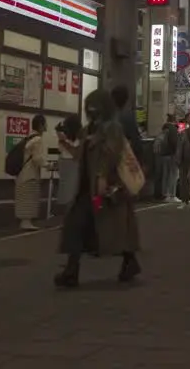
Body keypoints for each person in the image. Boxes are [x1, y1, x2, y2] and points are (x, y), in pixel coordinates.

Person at [54, 92, 142, 288]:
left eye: (94, 107)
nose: (91, 111)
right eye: (89, 107)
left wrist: (102, 176)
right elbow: (81, 155)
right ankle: (72, 269)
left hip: (108, 189)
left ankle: (129, 260)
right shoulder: (88, 130)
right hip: (86, 190)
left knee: (114, 229)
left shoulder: (113, 129)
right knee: (76, 225)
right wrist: (65, 143)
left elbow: (111, 152)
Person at [14, 115, 49, 230]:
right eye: (45, 124)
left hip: (21, 173)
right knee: (29, 197)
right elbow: (37, 158)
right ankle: (26, 222)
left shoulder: (29, 137)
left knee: (24, 197)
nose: (46, 127)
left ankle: (24, 222)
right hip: (30, 174)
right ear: (40, 125)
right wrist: (48, 165)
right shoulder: (37, 139)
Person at [155, 114, 180, 201]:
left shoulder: (164, 129)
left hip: (163, 155)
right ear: (174, 120)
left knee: (165, 174)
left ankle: (165, 194)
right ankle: (172, 195)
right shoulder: (173, 129)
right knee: (173, 175)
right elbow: (175, 143)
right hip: (172, 155)